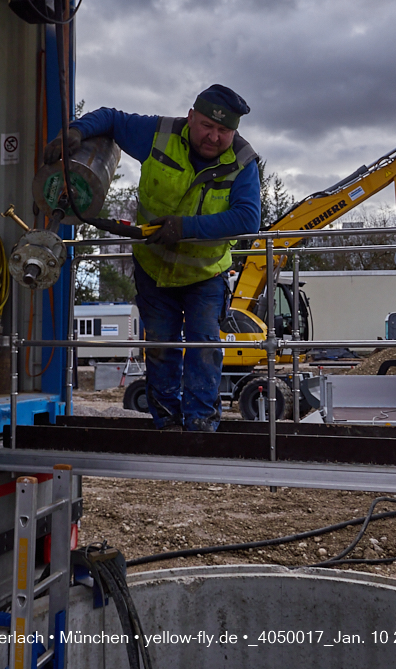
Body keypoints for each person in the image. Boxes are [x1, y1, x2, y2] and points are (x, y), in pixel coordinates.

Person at [44, 85, 261, 431]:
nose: (214, 136)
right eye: (207, 125)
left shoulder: (243, 161)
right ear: (191, 118)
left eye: (224, 131)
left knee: (204, 346)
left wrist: (184, 227)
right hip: (154, 269)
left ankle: (201, 424)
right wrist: (77, 131)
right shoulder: (160, 135)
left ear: (234, 131)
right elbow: (112, 120)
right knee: (160, 347)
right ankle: (168, 423)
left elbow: (247, 220)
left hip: (205, 275)